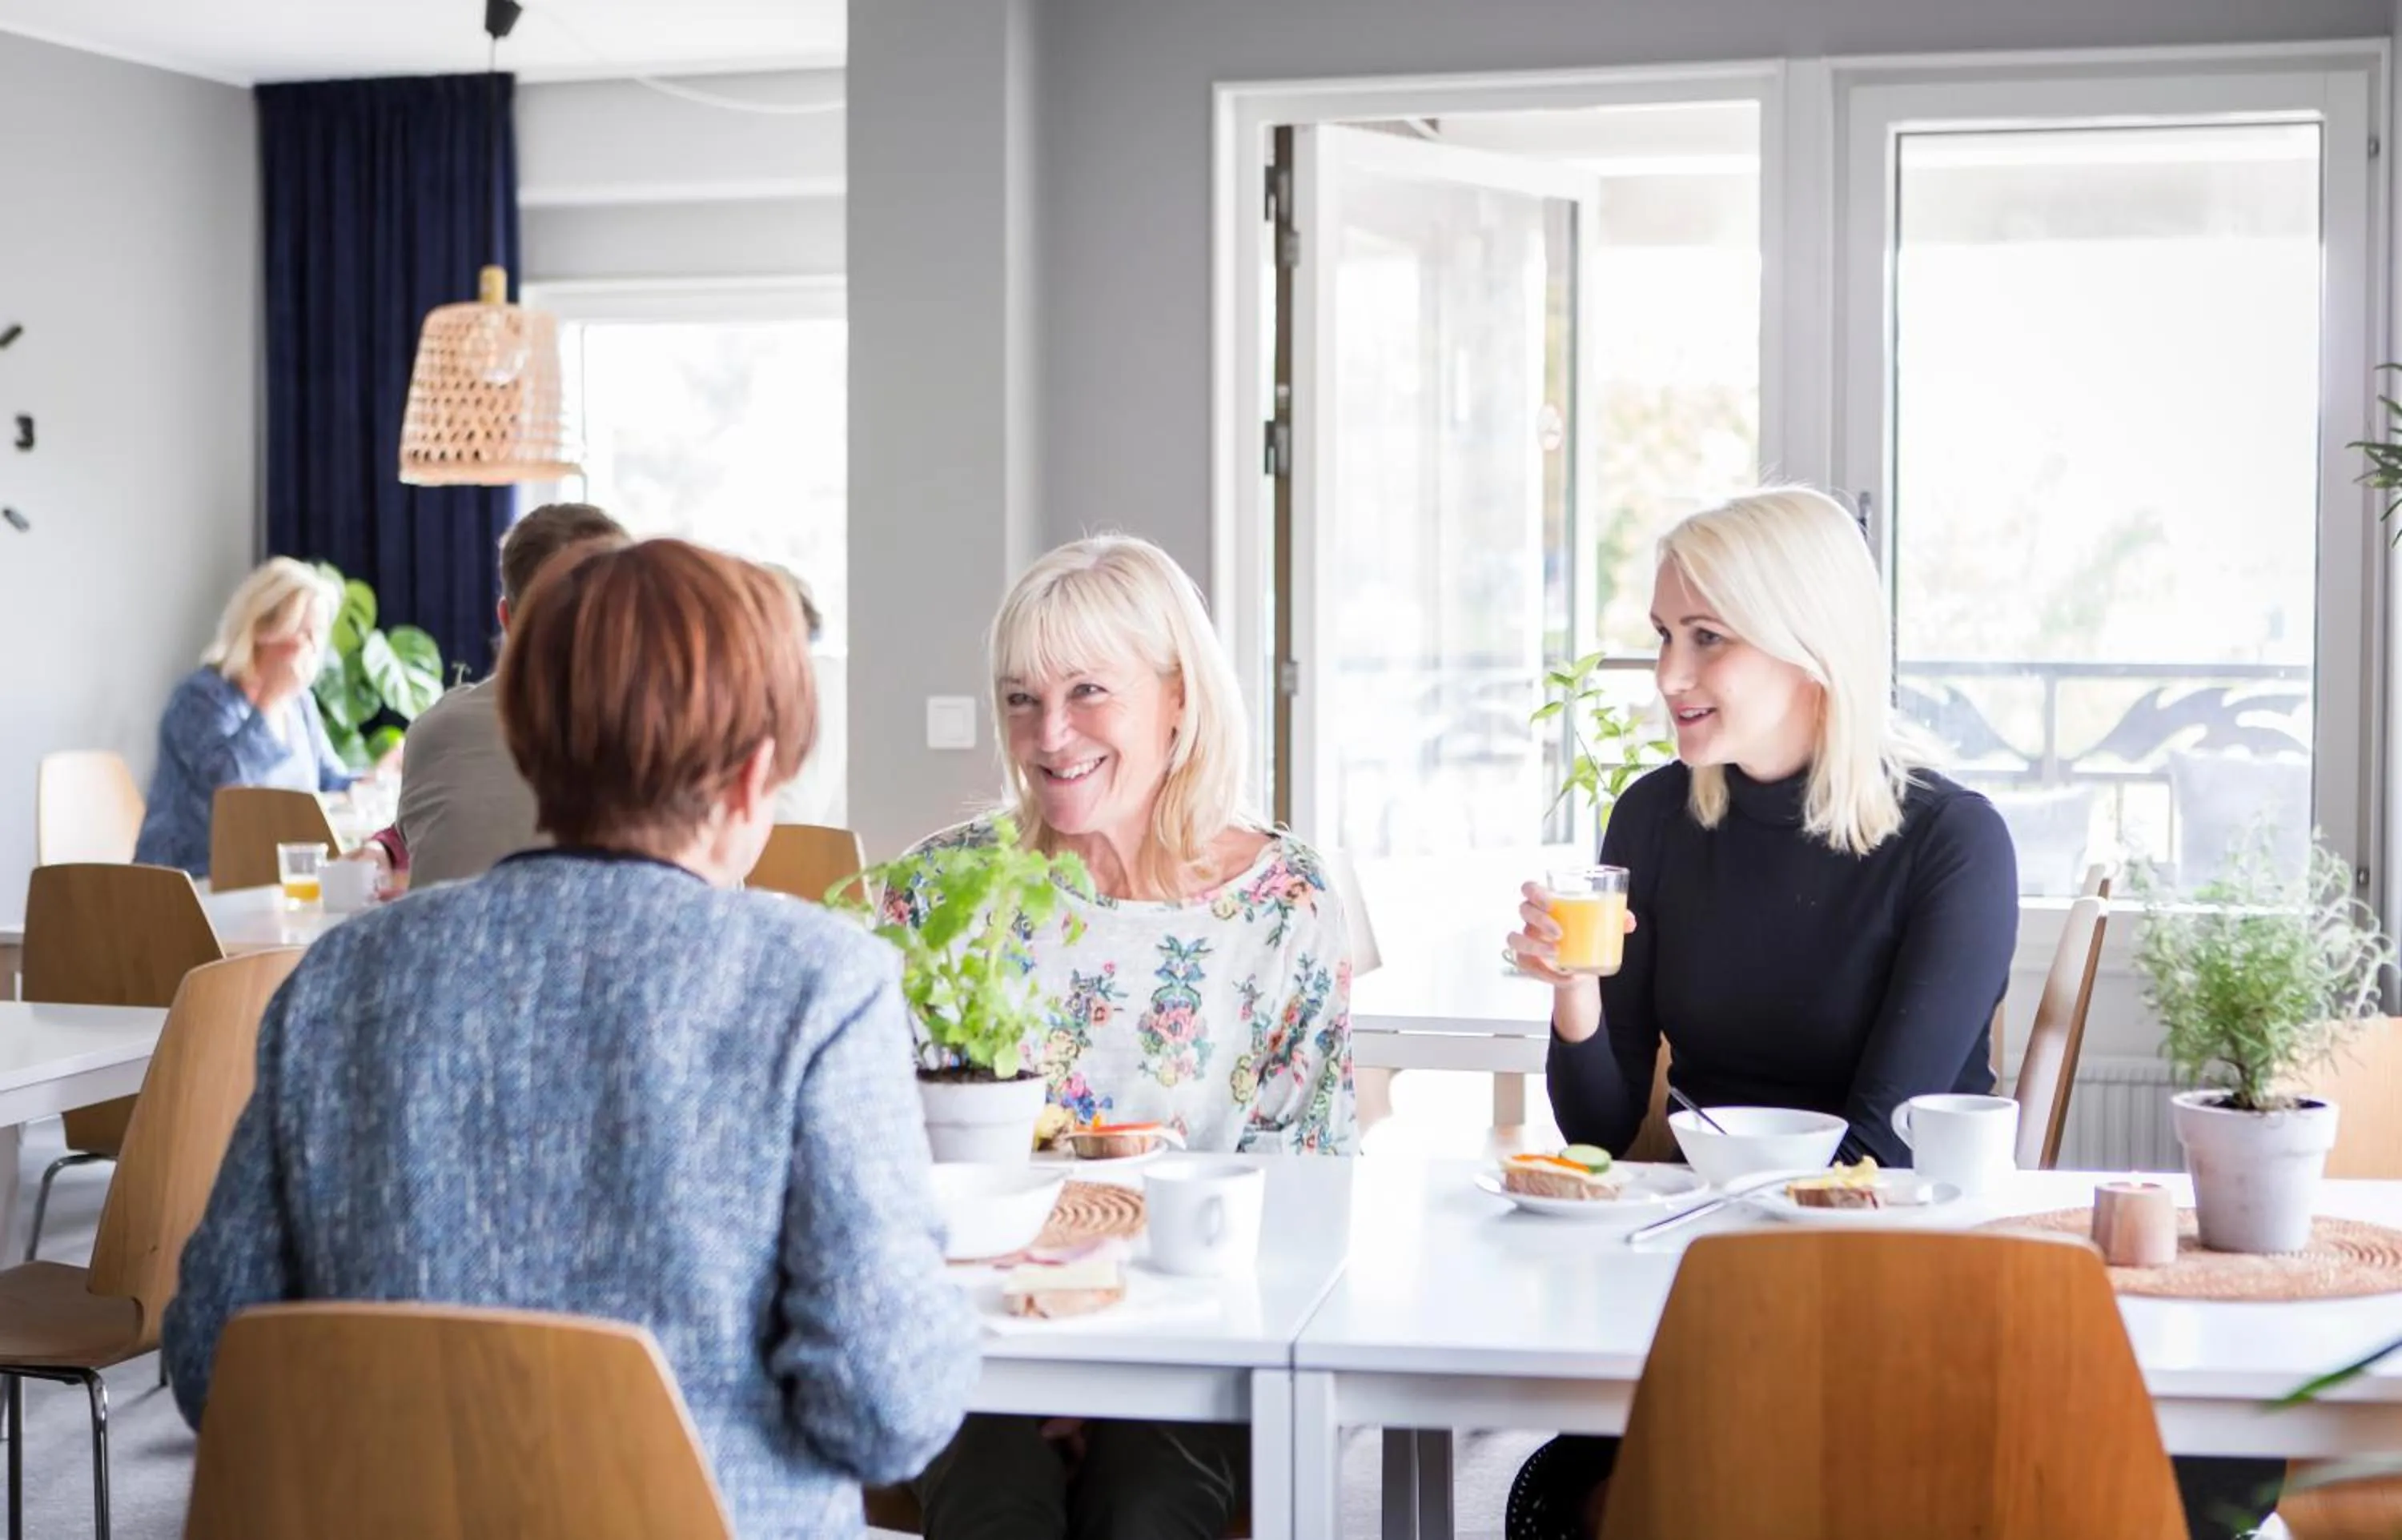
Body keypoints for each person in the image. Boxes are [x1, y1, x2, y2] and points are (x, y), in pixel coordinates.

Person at [166, 539, 978, 1538]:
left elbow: (213, 1359)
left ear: (524, 737)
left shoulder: (338, 979)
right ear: (755, 773)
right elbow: (889, 1409)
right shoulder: (820, 985)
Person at [1500, 486, 2018, 1540]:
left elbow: (1882, 1152)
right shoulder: (1655, 815)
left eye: (1707, 639)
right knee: (1559, 1499)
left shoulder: (1953, 847)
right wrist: (1574, 991)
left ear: (1809, 647)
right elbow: (1600, 1135)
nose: (1668, 677)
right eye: (1661, 637)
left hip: (1890, 1292)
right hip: (1704, 1270)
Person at [902, 534, 1353, 1540]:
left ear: (1178, 697)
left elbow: (1310, 1182)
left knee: (1148, 1516)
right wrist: (1041, 1346)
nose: (1050, 733)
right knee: (996, 1512)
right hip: (982, 1340)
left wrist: (1113, 1358)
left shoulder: (1282, 902)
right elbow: (882, 1165)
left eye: (1088, 691)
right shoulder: (942, 891)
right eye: (1020, 698)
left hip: (1199, 1337)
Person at [354, 502, 631, 889]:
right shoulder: (667, 725)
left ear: (506, 618)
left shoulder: (435, 729)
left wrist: (385, 846)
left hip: (444, 948)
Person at [133, 558, 357, 878]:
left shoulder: (300, 705)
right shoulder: (199, 698)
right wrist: (270, 699)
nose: (313, 648)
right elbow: (230, 790)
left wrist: (375, 779)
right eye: (302, 632)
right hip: (192, 878)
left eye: (318, 635)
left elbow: (328, 780)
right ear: (262, 629)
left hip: (269, 877)